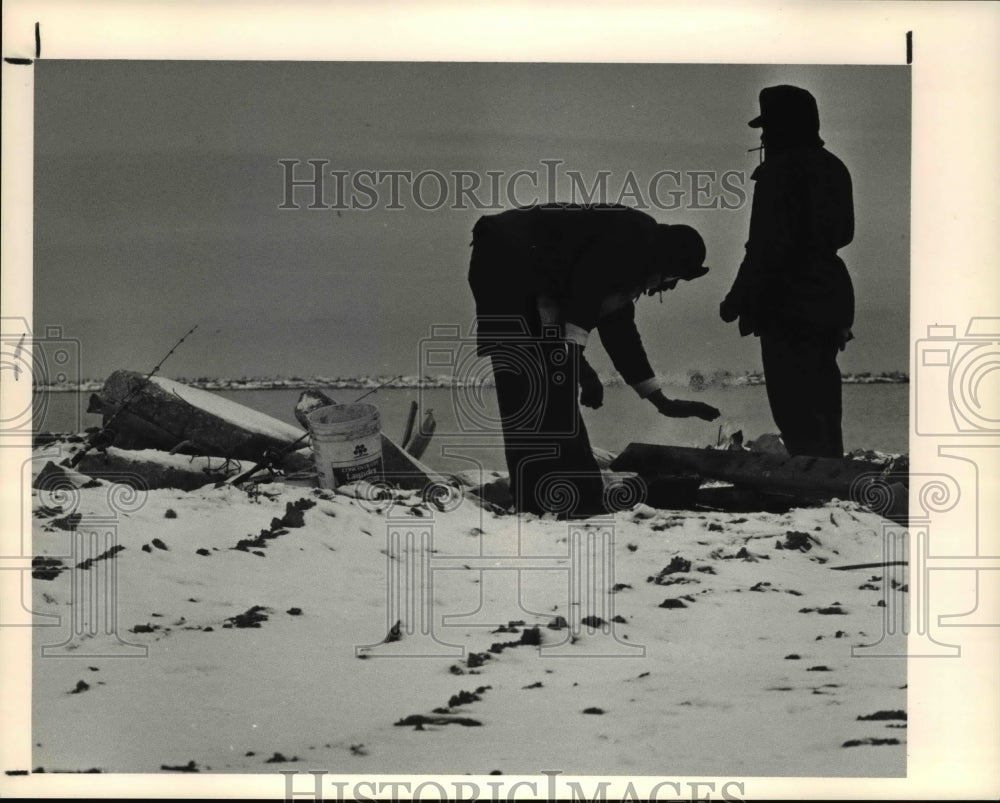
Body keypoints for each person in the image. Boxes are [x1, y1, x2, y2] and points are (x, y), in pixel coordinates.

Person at [468, 203, 721, 516]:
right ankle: (563, 501)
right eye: (672, 279)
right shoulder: (629, 242)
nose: (666, 288)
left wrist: (661, 401)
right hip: (509, 265)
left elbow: (620, 336)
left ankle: (551, 499)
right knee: (534, 389)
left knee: (545, 387)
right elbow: (581, 300)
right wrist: (583, 375)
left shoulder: (630, 258)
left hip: (515, 271)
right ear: (666, 263)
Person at [719, 85, 855, 458]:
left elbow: (761, 246)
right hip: (829, 297)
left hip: (785, 302)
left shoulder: (777, 172)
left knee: (791, 401)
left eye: (768, 127)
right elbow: (845, 232)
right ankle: (829, 472)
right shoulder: (835, 167)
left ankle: (809, 477)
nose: (762, 136)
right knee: (824, 397)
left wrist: (734, 299)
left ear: (783, 127)